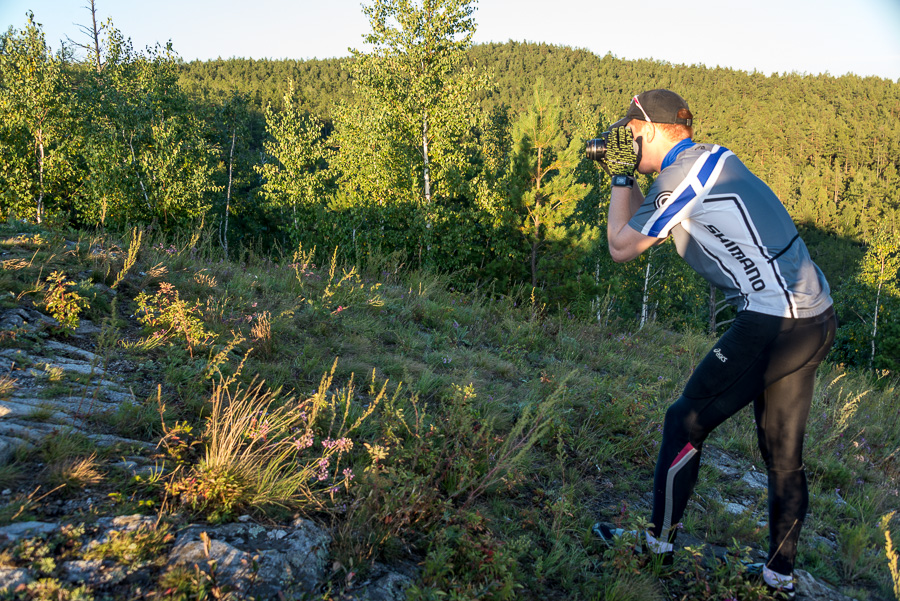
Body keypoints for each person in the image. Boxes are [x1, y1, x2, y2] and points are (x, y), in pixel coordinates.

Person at [592, 89, 837, 599]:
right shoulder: (705, 162)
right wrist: (630, 176)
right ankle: (778, 579)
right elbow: (642, 223)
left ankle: (654, 549)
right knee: (782, 454)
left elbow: (621, 246)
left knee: (684, 420)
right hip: (814, 316)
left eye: (629, 135)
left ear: (653, 129)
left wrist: (619, 177)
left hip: (775, 321)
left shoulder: (685, 178)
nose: (624, 143)